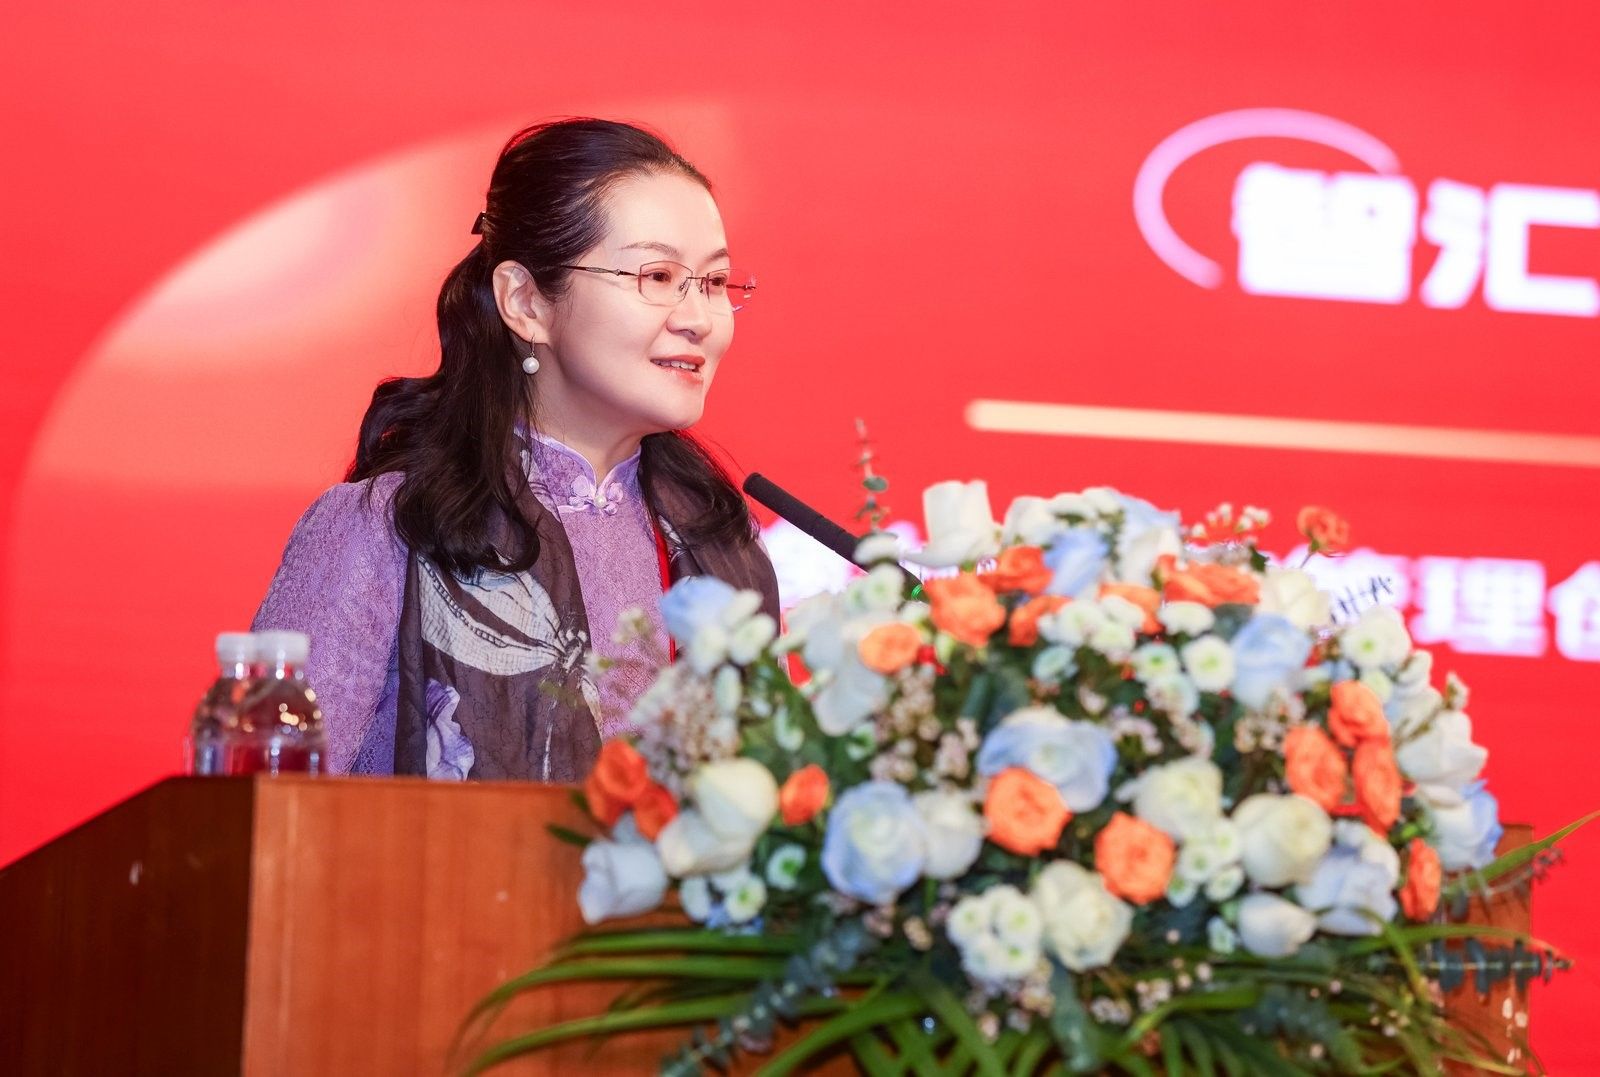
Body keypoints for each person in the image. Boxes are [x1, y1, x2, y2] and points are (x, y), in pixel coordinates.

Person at [252, 118, 779, 782]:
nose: (699, 319)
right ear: (526, 301)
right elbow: (263, 811)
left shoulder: (723, 543)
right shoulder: (388, 526)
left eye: (713, 282)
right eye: (657, 275)